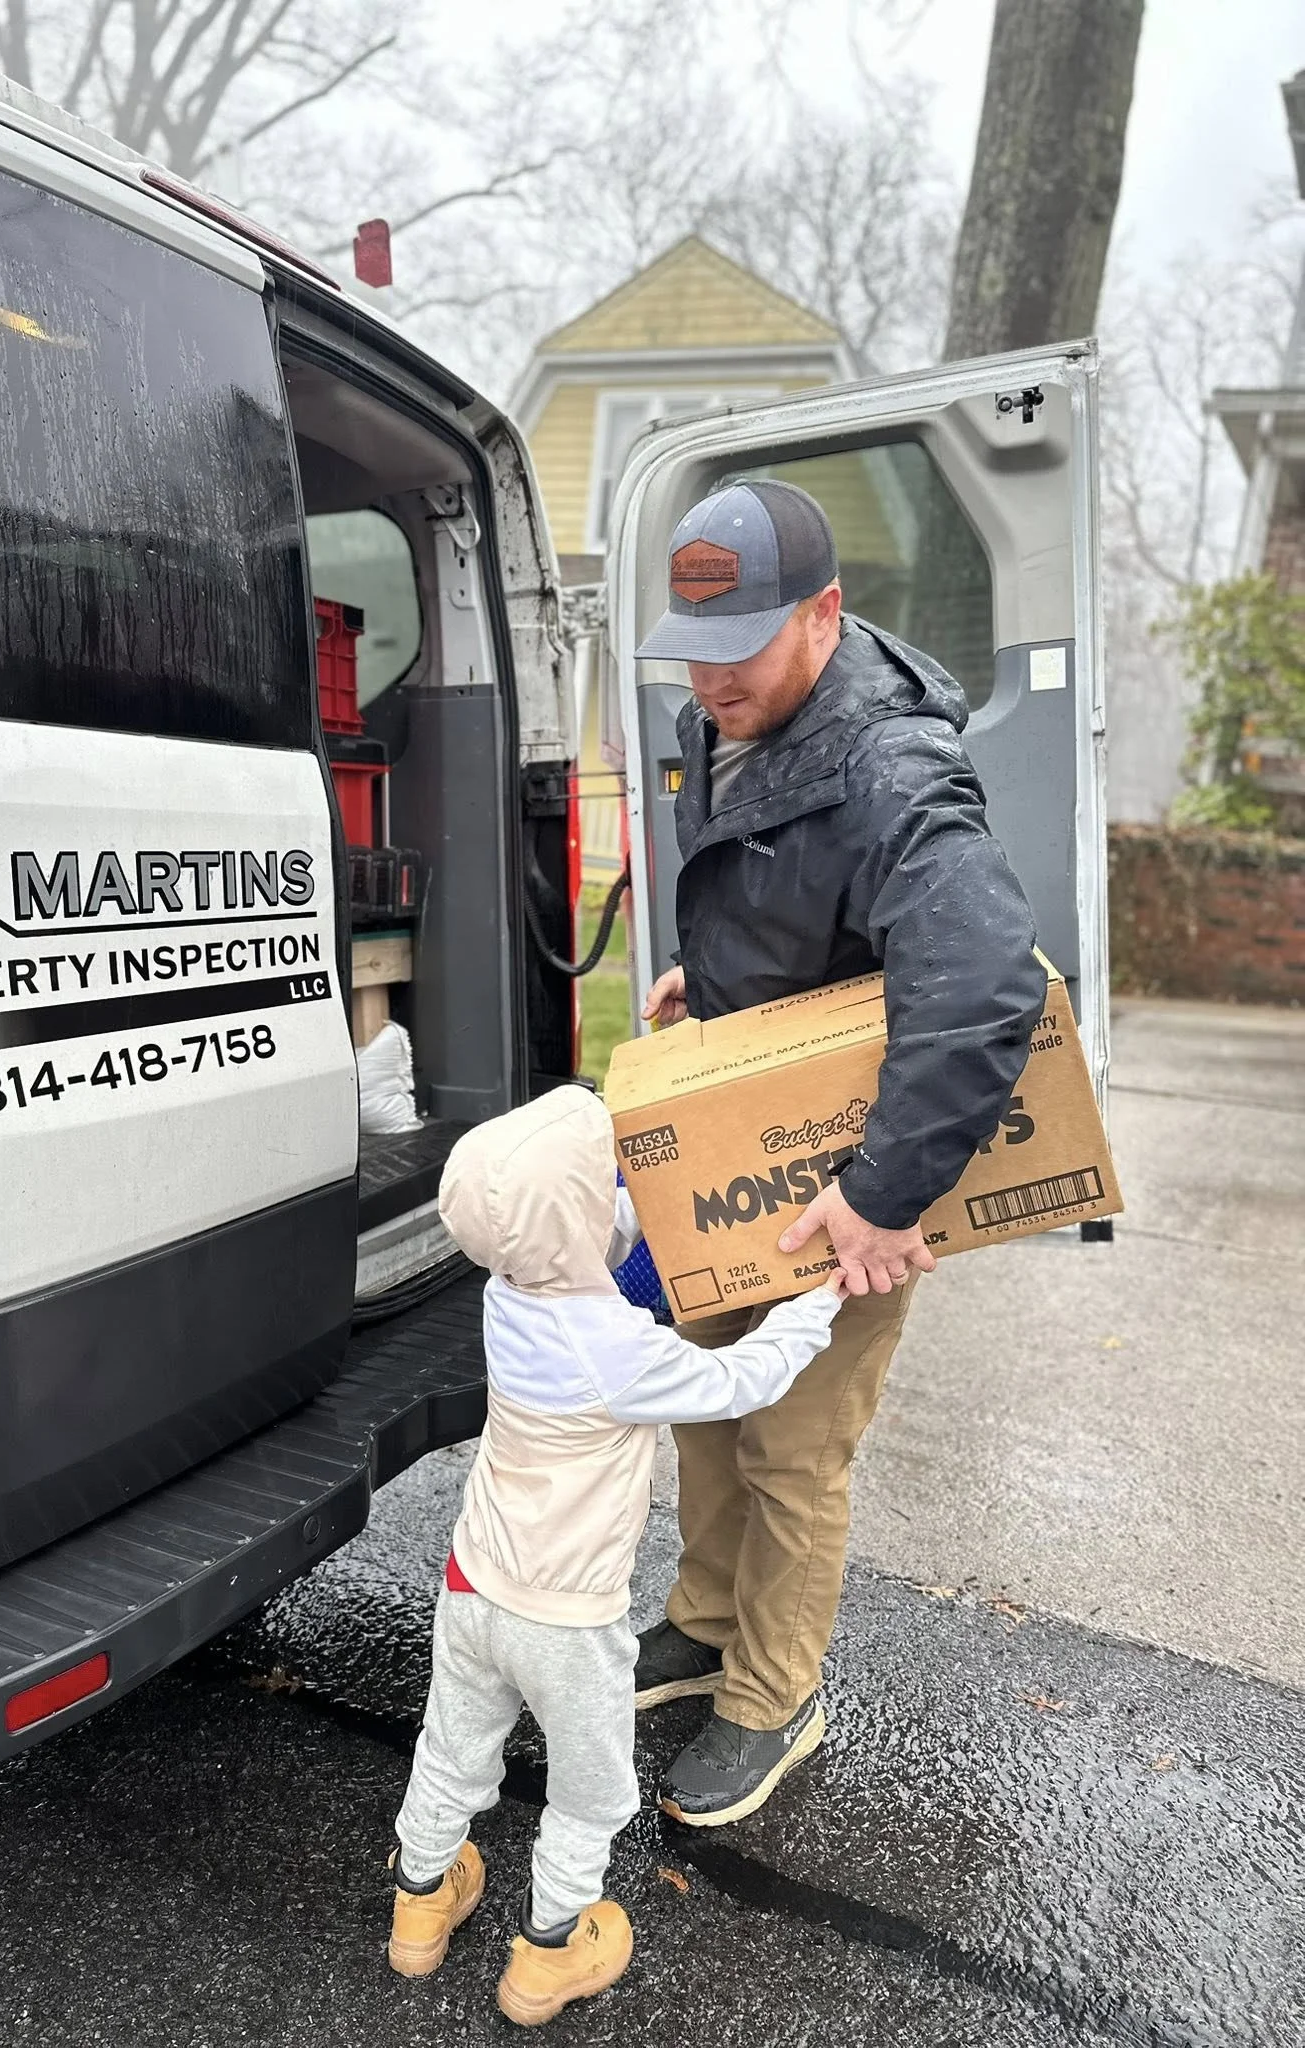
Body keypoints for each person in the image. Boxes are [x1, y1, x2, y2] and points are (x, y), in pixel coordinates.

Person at [631, 478, 1046, 1828]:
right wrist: (709, 979)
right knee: (707, 1393)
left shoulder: (890, 766)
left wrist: (882, 1194)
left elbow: (982, 986)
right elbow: (778, 896)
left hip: (848, 1170)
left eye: (742, 647)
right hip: (741, 1146)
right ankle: (705, 1621)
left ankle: (774, 1692)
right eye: (693, 650)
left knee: (793, 1443)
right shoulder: (730, 716)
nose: (712, 681)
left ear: (824, 613)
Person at [388, 1086, 845, 2025]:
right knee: (588, 1792)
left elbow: (585, 1246)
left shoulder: (506, 1291)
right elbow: (744, 1378)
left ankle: (420, 1901)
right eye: (609, 1187)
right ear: (581, 1218)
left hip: (473, 1582)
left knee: (453, 1748)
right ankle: (550, 1952)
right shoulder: (620, 1352)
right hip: (566, 1619)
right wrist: (818, 1299)